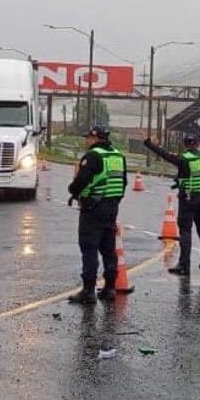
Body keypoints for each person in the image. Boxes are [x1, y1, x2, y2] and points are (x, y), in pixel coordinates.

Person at [67, 126, 127, 303]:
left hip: (93, 208)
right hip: (111, 207)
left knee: (89, 247)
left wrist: (72, 189)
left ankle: (88, 291)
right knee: (109, 249)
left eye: (88, 138)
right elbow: (123, 182)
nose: (87, 141)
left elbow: (81, 181)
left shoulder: (93, 156)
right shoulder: (118, 156)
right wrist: (114, 200)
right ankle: (109, 288)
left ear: (95, 139)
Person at [144, 132, 200, 275]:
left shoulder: (184, 159)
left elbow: (165, 155)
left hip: (188, 198)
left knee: (185, 232)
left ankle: (184, 265)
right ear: (197, 144)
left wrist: (148, 143)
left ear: (185, 145)